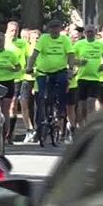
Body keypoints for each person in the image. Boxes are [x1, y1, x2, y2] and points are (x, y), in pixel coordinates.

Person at [25, 18, 75, 147]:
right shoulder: (43, 39)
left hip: (59, 71)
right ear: (49, 29)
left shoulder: (65, 40)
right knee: (41, 96)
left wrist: (70, 69)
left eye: (57, 27)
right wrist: (29, 67)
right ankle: (41, 122)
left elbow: (70, 55)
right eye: (52, 28)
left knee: (63, 84)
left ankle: (60, 111)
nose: (54, 30)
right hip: (43, 72)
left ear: (60, 29)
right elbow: (34, 54)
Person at [0, 29, 23, 142]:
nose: (0, 43)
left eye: (2, 41)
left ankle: (6, 136)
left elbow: (18, 67)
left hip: (8, 82)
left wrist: (12, 69)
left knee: (6, 110)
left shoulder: (10, 54)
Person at [73, 25, 103, 120]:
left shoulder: (100, 45)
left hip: (95, 78)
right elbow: (70, 58)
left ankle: (90, 126)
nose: (89, 34)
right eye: (87, 32)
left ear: (95, 32)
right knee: (82, 105)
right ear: (84, 33)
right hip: (81, 78)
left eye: (91, 32)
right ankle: (80, 126)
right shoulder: (79, 44)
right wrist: (79, 62)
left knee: (91, 103)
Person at [18, 28, 40, 143]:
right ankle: (29, 128)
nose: (35, 40)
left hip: (38, 78)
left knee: (37, 106)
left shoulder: (41, 49)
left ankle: (37, 129)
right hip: (26, 79)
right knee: (24, 103)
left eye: (37, 38)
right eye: (33, 38)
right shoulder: (26, 48)